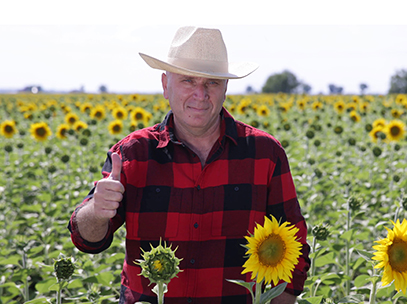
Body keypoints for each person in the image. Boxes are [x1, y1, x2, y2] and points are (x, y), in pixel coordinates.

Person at [68, 26, 310, 304]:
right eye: (187, 81)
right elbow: (87, 240)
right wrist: (97, 213)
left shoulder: (264, 153)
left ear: (226, 89)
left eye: (212, 82)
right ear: (164, 85)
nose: (200, 94)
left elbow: (295, 246)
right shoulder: (133, 153)